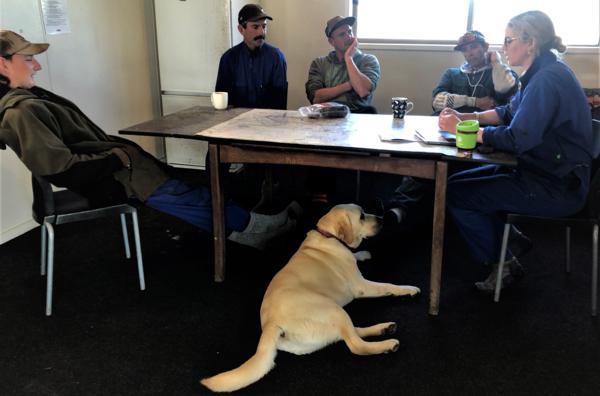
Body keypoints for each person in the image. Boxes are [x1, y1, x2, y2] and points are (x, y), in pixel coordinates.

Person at [0, 30, 297, 250]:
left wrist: (121, 155)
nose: (36, 66)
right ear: (3, 65)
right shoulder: (20, 111)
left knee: (188, 189)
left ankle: (245, 227)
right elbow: (63, 169)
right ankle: (252, 228)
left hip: (120, 168)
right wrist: (121, 158)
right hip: (115, 179)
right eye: (28, 59)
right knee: (188, 197)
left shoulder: (27, 101)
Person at [438, 11, 593, 293]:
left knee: (459, 195)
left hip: (556, 186)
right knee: (453, 184)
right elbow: (506, 112)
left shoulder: (546, 80)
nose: (504, 47)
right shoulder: (541, 73)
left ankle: (503, 262)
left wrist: (468, 132)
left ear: (530, 42)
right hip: (544, 172)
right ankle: (513, 241)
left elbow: (517, 138)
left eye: (508, 40)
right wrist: (465, 119)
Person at [215, 4, 287, 110]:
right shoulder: (228, 59)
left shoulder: (276, 58)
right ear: (241, 29)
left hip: (269, 123)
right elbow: (222, 102)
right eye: (255, 27)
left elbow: (279, 104)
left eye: (264, 26)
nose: (261, 32)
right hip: (235, 123)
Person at [305, 16, 380, 114]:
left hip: (358, 115)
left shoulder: (368, 60)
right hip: (328, 115)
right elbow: (316, 98)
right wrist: (349, 85)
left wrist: (348, 58)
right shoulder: (319, 63)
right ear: (331, 42)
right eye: (342, 34)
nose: (348, 37)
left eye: (349, 32)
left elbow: (363, 90)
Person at [432, 30, 518, 115]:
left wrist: (496, 63)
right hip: (451, 124)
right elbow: (437, 102)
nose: (469, 53)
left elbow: (509, 104)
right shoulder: (451, 74)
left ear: (485, 47)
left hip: (484, 126)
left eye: (473, 47)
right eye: (464, 50)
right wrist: (475, 102)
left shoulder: (503, 73)